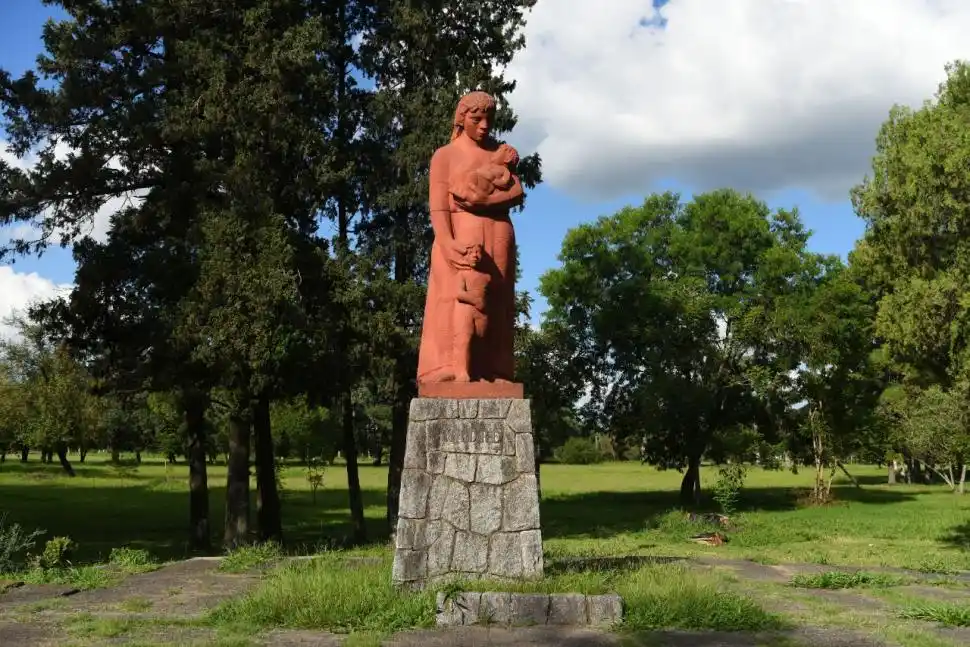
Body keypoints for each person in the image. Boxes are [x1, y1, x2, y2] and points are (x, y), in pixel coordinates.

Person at [417, 91, 524, 384]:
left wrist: (478, 200)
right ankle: (449, 365)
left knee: (498, 301)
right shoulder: (445, 156)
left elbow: (516, 192)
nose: (484, 125)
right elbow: (439, 205)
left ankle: (495, 369)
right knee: (455, 301)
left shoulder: (500, 153)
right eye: (477, 119)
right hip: (460, 236)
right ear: (462, 118)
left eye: (489, 119)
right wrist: (447, 242)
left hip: (500, 235)